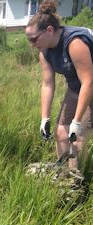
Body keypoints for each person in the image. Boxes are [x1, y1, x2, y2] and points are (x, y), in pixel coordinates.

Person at [25, 0, 93, 168]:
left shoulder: (75, 43)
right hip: (75, 88)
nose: (31, 45)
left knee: (77, 138)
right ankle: (64, 175)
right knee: (61, 132)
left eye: (33, 39)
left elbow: (88, 82)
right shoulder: (44, 51)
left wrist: (76, 122)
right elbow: (47, 83)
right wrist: (44, 118)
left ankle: (78, 181)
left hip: (89, 87)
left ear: (49, 31)